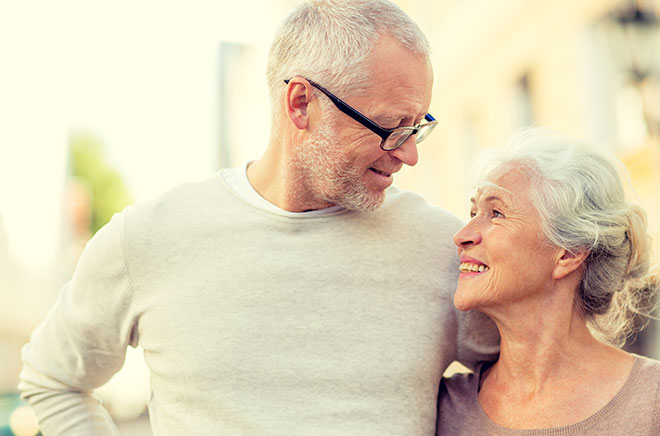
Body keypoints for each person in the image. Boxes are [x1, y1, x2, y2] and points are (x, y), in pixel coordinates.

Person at [18, 1, 498, 434]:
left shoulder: (444, 248)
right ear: (301, 104)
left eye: (418, 127)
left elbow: (536, 372)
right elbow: (53, 379)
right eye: (392, 128)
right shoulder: (146, 238)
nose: (409, 155)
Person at [437, 128, 660, 435]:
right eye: (472, 212)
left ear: (568, 254)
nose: (462, 235)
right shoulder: (444, 406)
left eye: (496, 213)